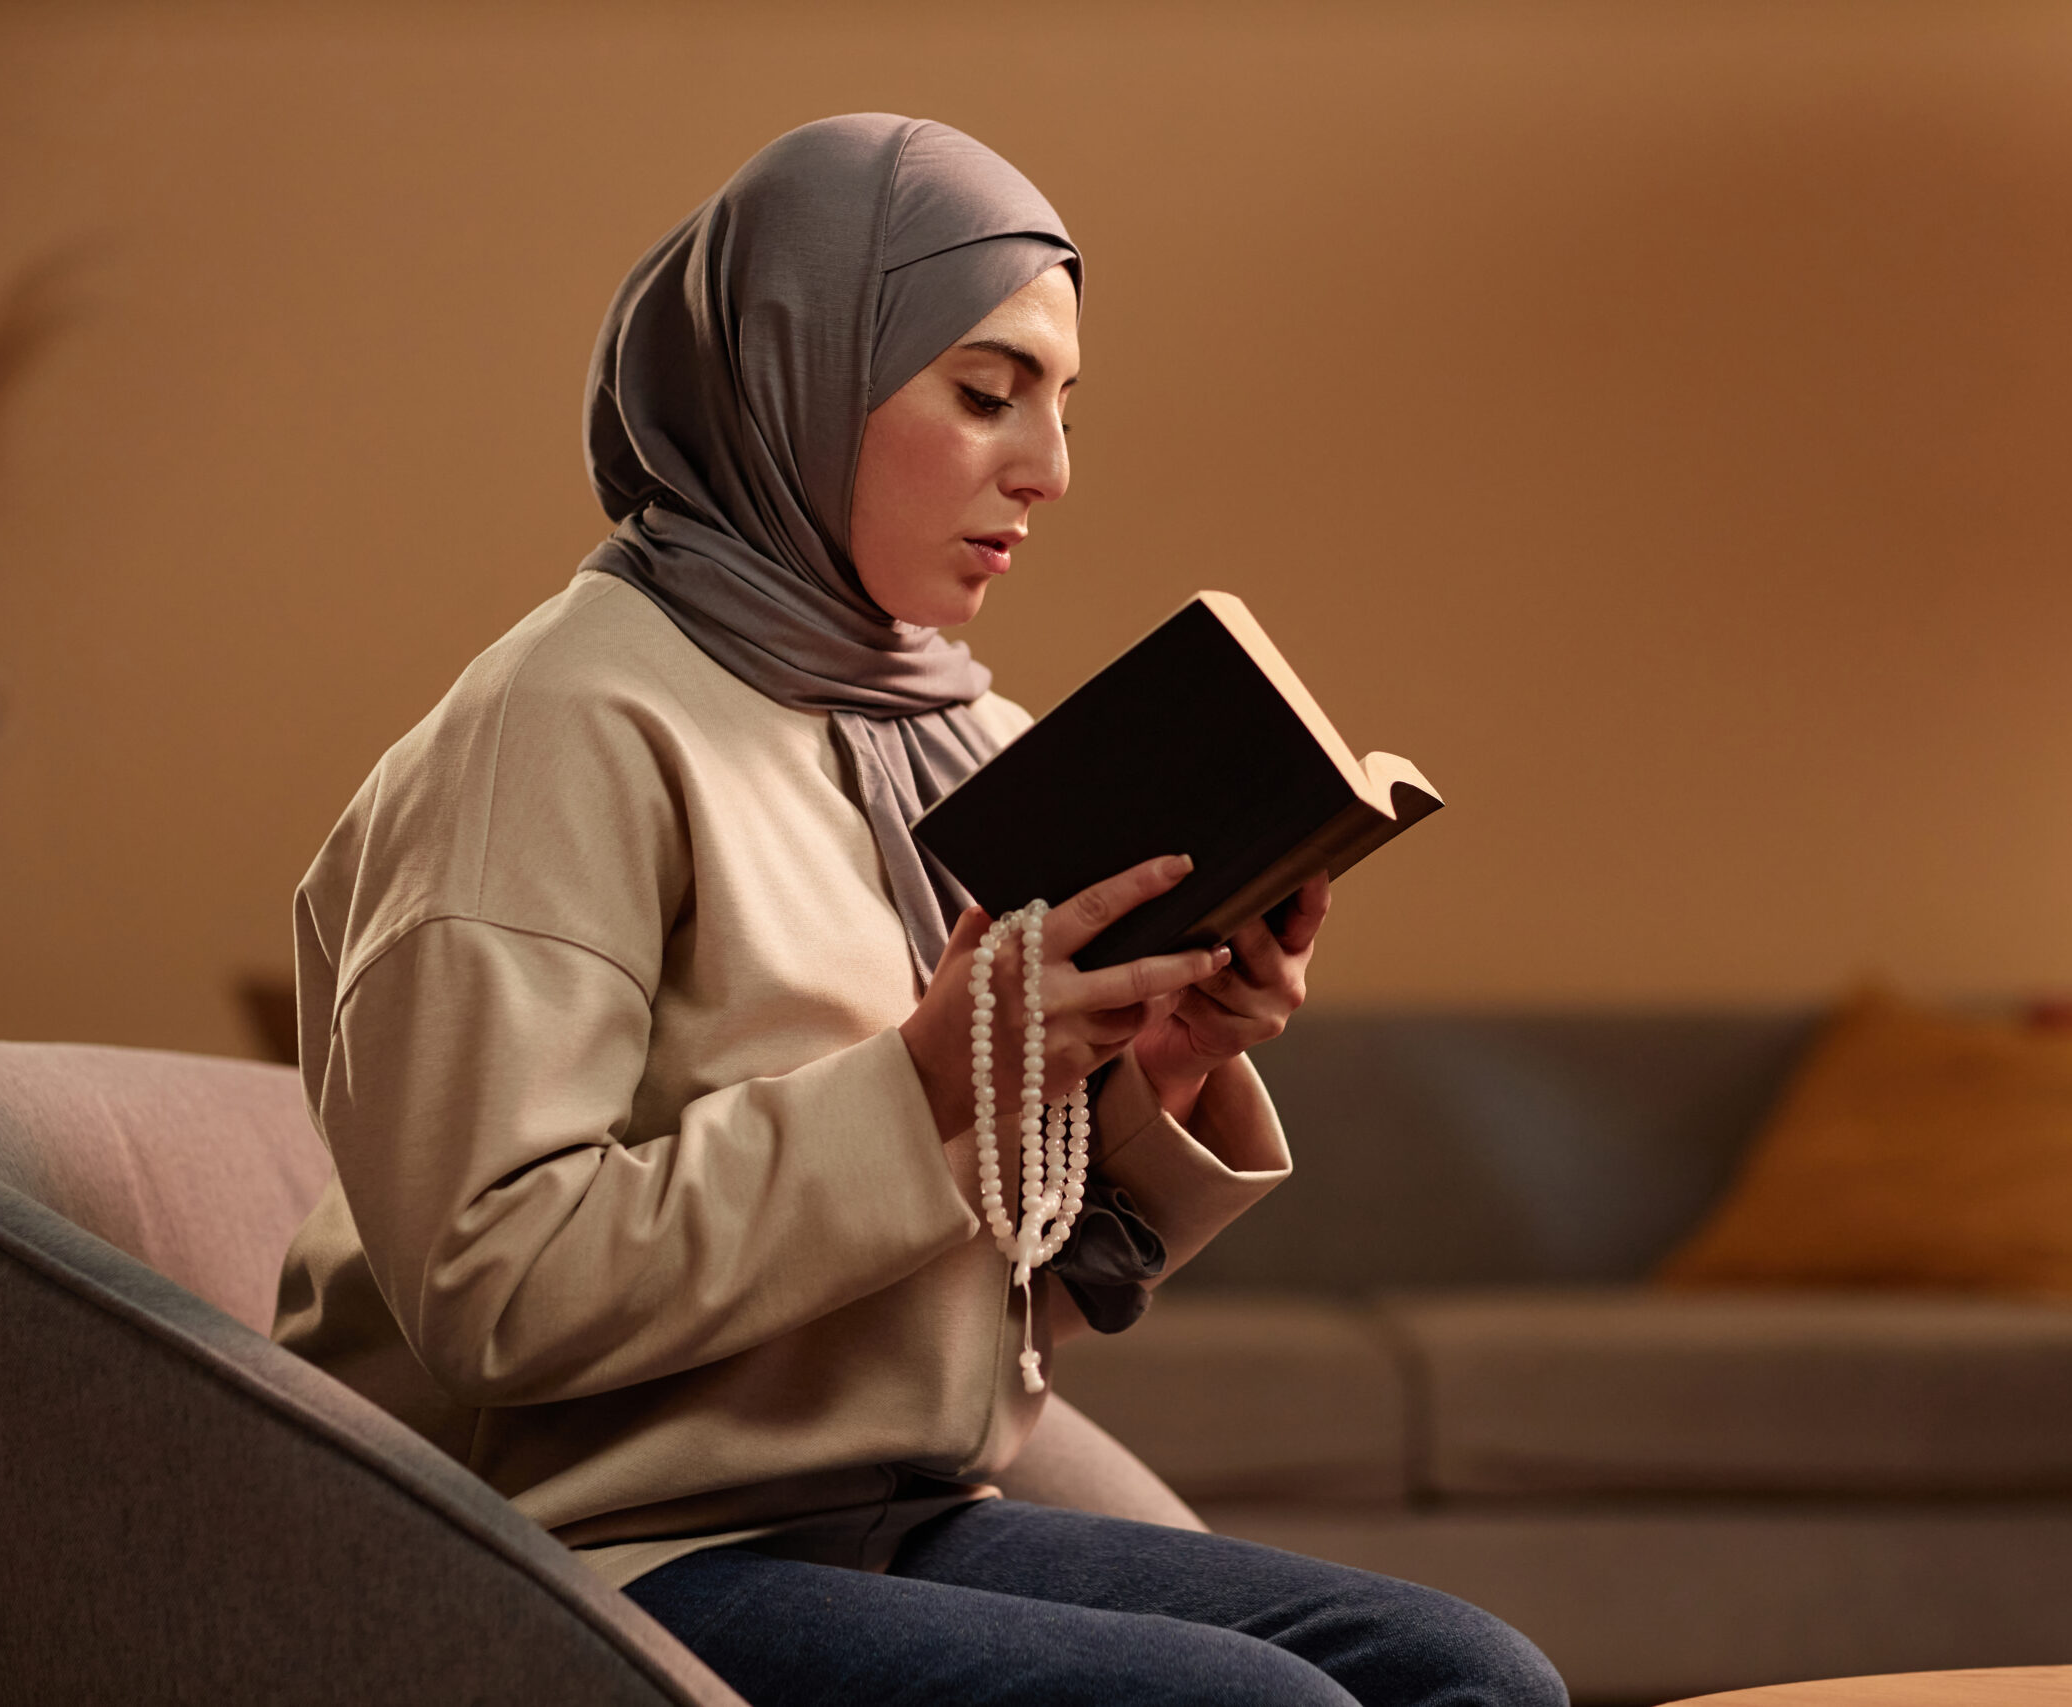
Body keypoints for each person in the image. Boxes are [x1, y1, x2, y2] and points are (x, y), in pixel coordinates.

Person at [273, 113, 1565, 1707]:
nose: (1049, 467)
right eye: (984, 392)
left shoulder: (953, 737)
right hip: (571, 1551)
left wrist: (1155, 1061)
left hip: (882, 1511)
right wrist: (931, 1080)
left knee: (1470, 1676)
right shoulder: (562, 728)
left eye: (1063, 404)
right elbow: (496, 1293)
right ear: (793, 376)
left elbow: (1009, 1309)